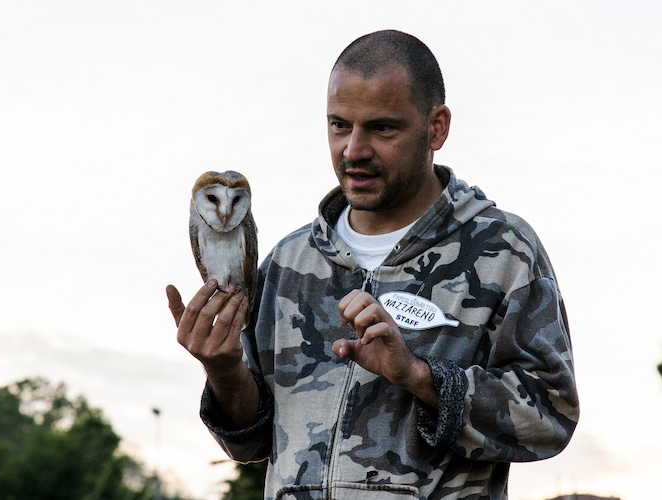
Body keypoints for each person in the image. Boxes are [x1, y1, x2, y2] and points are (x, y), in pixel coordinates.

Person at [167, 29, 579, 500]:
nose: (353, 150)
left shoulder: (503, 251)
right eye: (339, 125)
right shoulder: (288, 261)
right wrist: (223, 370)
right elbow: (253, 440)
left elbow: (551, 416)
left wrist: (421, 378)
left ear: (436, 127)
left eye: (382, 128)